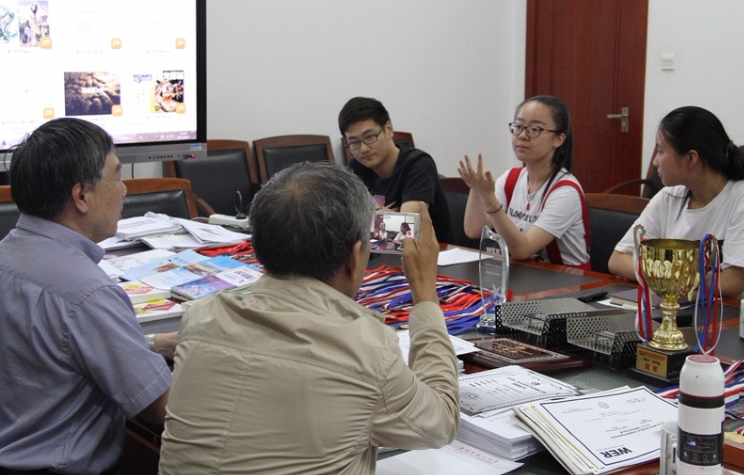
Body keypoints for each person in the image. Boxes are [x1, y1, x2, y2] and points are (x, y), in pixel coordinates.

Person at [159, 161, 459, 474]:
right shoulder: (365, 350)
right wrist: (425, 294)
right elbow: (440, 420)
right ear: (356, 257)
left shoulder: (200, 318)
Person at [0, 118, 174, 474]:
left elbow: (46, 351)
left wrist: (152, 343)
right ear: (82, 196)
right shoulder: (88, 293)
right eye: (117, 176)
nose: (124, 190)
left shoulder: (7, 256)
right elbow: (160, 408)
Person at [609, 106, 744, 300]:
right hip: (679, 311)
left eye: (661, 152)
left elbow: (733, 282)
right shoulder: (668, 197)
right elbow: (618, 259)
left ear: (690, 158)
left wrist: (663, 274)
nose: (655, 162)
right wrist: (679, 278)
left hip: (733, 320)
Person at [458, 95, 590, 266]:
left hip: (568, 281)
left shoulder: (565, 191)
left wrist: (489, 199)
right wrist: (477, 190)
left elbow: (522, 250)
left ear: (559, 139)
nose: (522, 135)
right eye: (518, 126)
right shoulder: (511, 179)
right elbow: (473, 230)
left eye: (535, 129)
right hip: (524, 275)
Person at [339, 96, 453, 244]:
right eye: (354, 142)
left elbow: (405, 233)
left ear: (389, 129)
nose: (364, 148)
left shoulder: (419, 164)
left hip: (431, 258)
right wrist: (384, 216)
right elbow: (344, 225)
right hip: (381, 257)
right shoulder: (356, 167)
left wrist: (368, 215)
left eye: (370, 137)